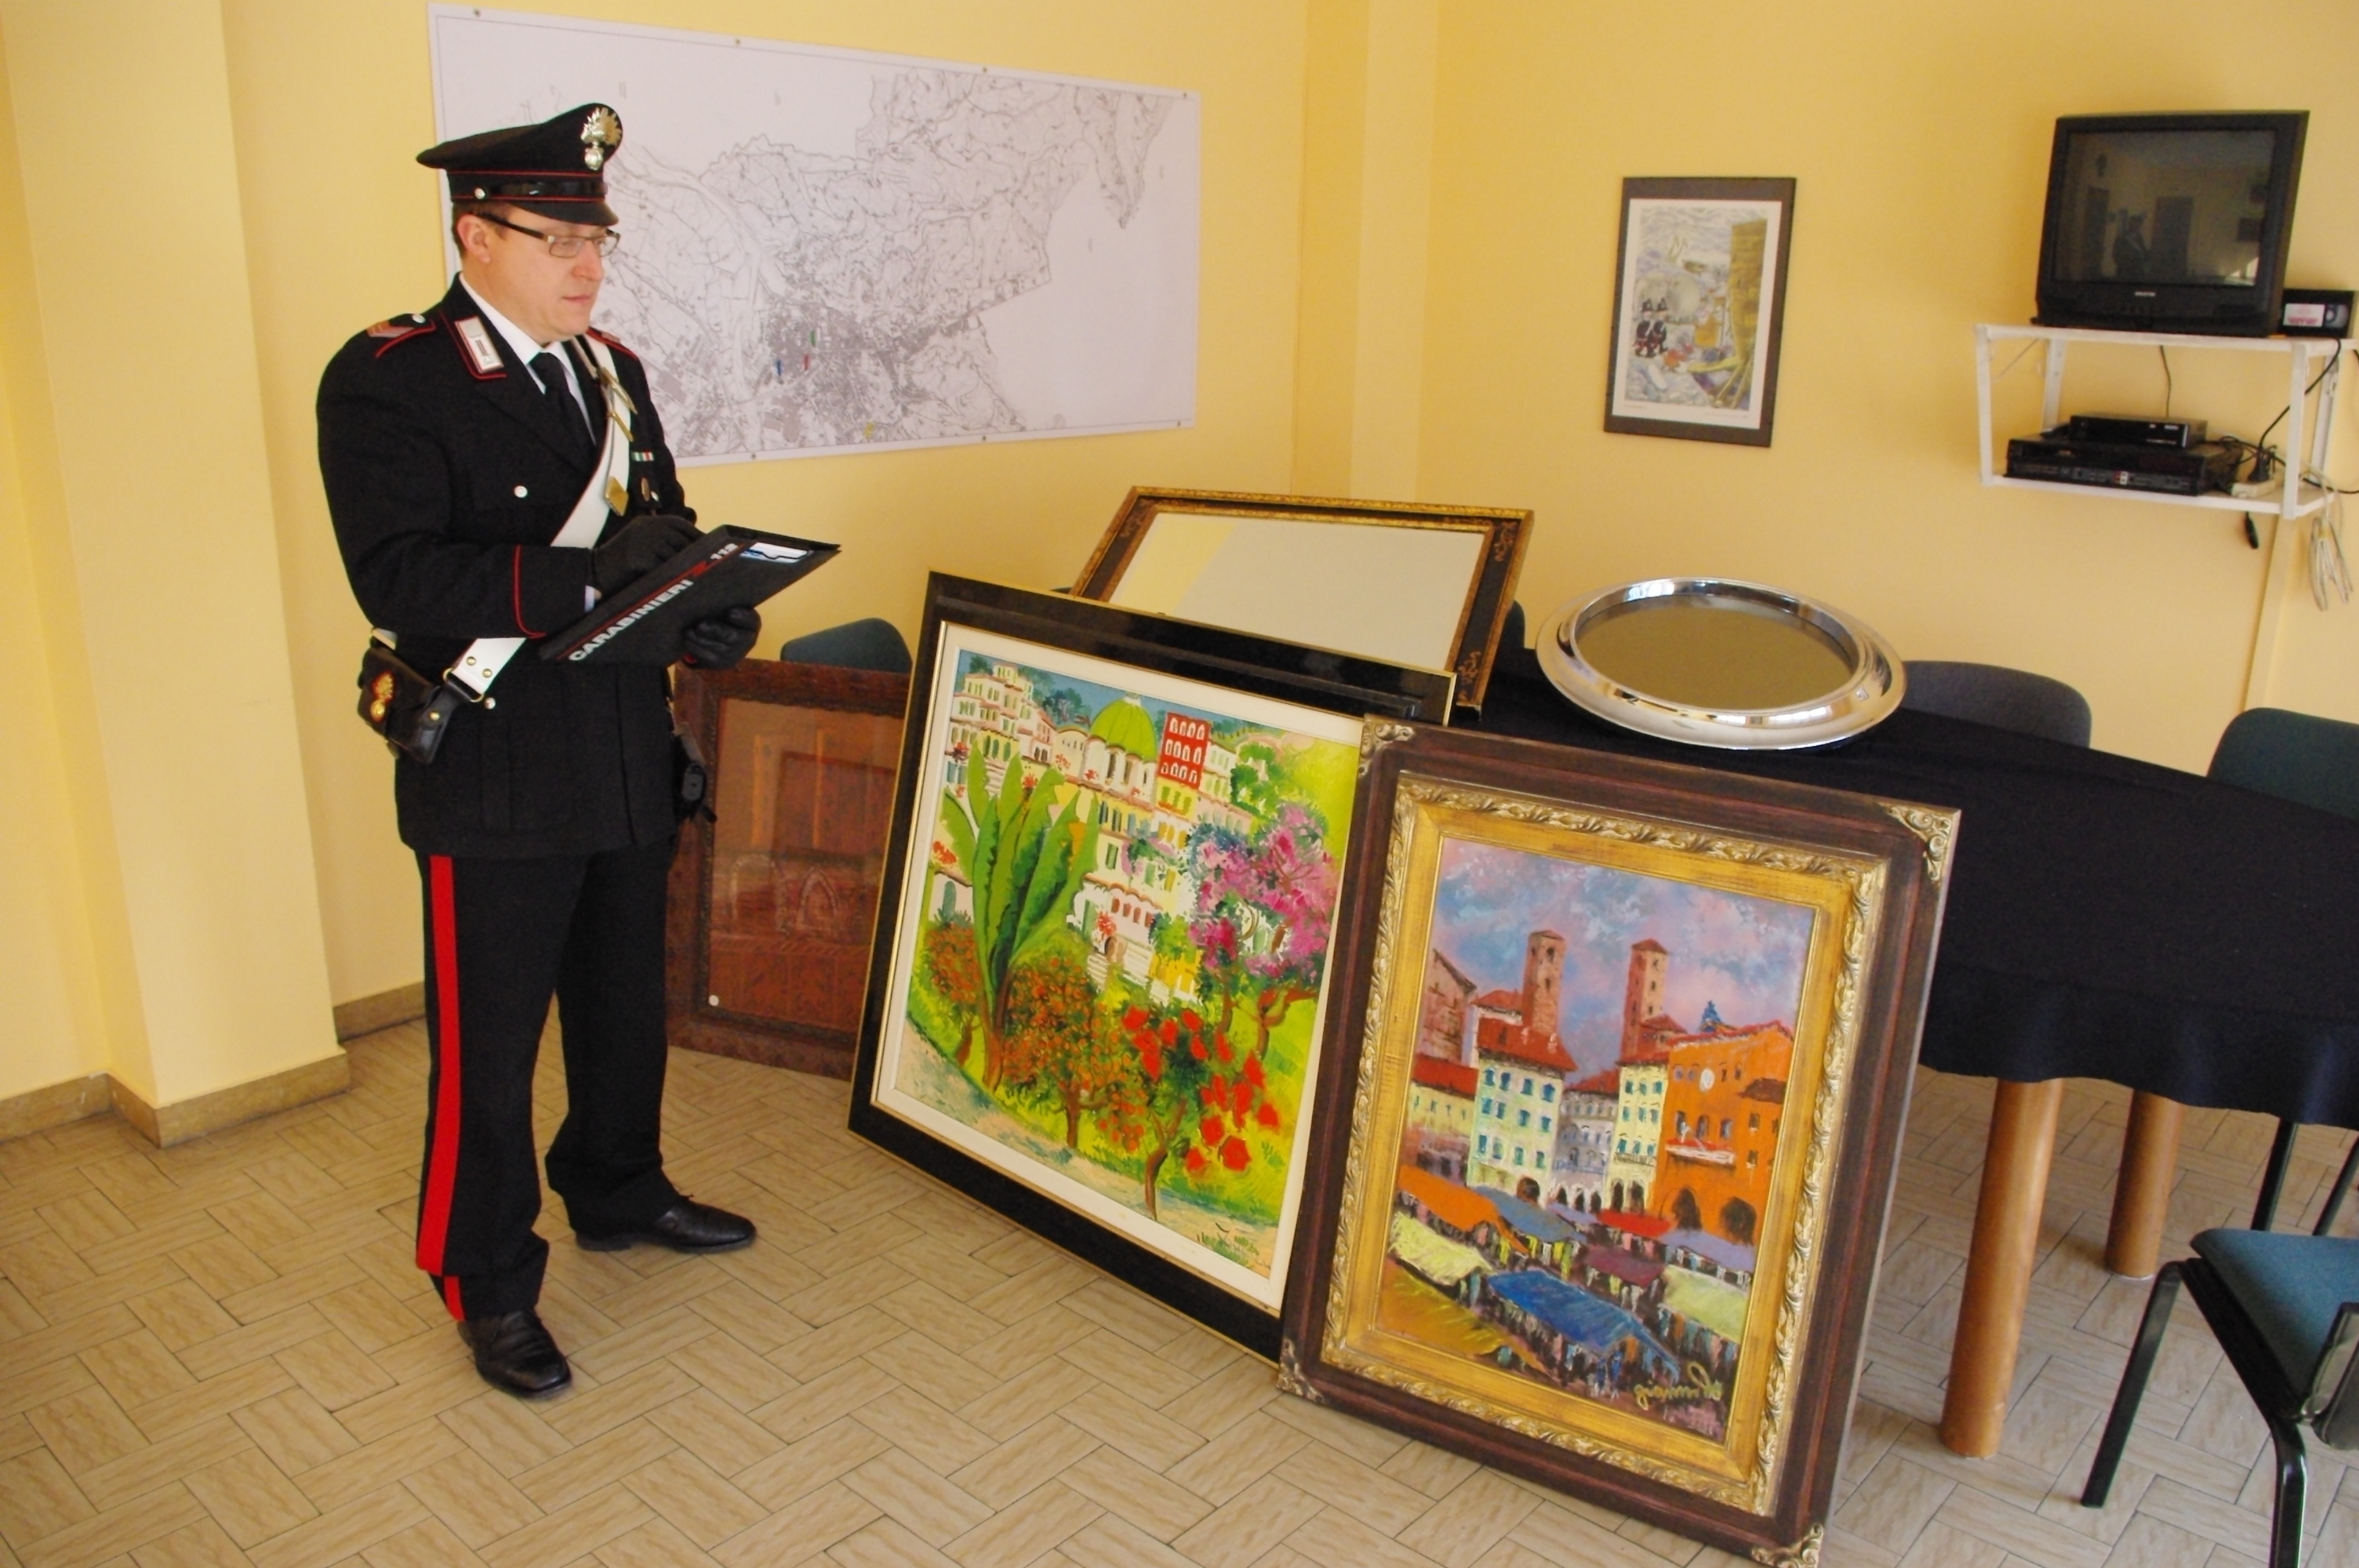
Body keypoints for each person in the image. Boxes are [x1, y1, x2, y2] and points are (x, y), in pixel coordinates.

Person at [318, 103, 760, 1398]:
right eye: (556, 238)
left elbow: (659, 532)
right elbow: (398, 574)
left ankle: (619, 1187)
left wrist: (705, 610)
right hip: (495, 771)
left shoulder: (610, 370)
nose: (587, 265)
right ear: (475, 235)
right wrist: (587, 579)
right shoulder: (392, 375)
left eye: (596, 239)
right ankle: (487, 1279)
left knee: (625, 1008)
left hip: (621, 746)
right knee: (491, 1051)